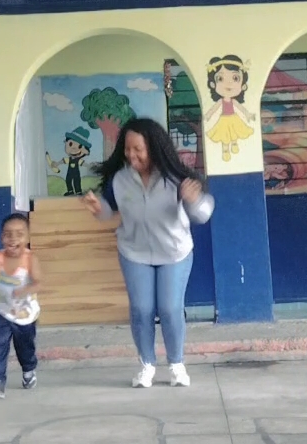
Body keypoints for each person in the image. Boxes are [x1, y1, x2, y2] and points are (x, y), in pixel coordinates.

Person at [83, 117, 214, 388]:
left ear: (153, 148)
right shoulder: (120, 180)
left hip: (174, 253)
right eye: (127, 149)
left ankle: (176, 365)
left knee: (170, 308)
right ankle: (147, 365)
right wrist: (99, 210)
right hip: (134, 252)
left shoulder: (176, 178)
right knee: (141, 309)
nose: (131, 155)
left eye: (138, 149)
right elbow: (109, 210)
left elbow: (202, 214)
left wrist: (194, 200)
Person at [0, 212, 41, 400]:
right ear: (1, 237)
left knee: (25, 347)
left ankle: (28, 369)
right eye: (8, 234)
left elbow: (38, 283)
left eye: (19, 234)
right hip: (2, 311)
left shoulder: (30, 259)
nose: (13, 239)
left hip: (25, 315)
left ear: (28, 238)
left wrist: (25, 290)